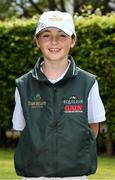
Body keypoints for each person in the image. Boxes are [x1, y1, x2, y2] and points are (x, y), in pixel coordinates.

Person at [12, 11, 106, 180]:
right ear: (37, 41)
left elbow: (93, 126)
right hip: (34, 176)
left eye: (62, 35)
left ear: (73, 41)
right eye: (46, 35)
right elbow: (22, 128)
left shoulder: (88, 82)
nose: (54, 41)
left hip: (75, 176)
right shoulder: (23, 85)